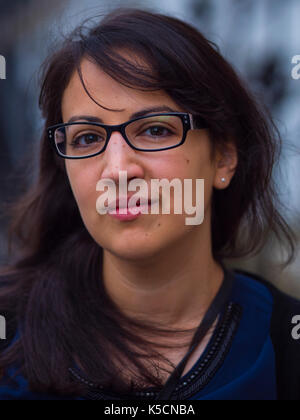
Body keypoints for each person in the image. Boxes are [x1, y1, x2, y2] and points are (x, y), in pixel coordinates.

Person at [0, 7, 299, 401]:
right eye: (87, 138)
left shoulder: (285, 346)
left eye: (156, 130)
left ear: (224, 156)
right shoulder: (11, 337)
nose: (119, 169)